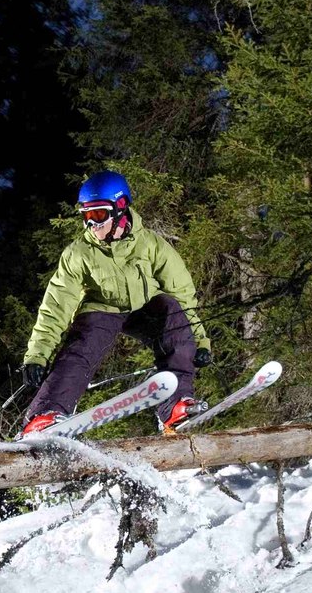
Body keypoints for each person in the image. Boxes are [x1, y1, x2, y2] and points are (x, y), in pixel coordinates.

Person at [21, 170, 212, 435]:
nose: (92, 225)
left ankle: (176, 406)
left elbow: (183, 295)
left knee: (170, 309)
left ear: (120, 207)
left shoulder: (152, 246)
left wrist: (200, 341)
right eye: (87, 216)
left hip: (145, 307)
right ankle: (47, 413)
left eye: (98, 215)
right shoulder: (79, 254)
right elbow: (55, 305)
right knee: (82, 346)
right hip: (103, 308)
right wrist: (37, 355)